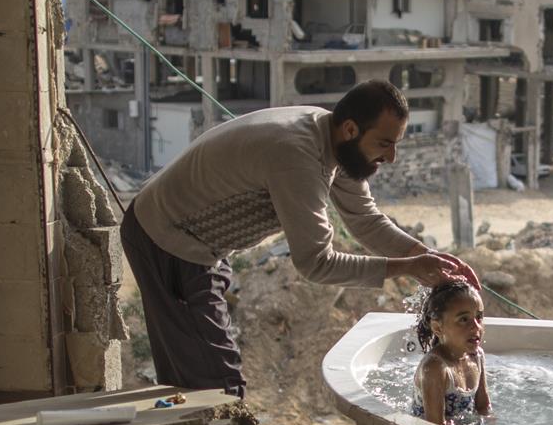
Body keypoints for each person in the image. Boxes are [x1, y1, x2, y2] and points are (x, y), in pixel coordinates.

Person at [122, 79, 477, 395]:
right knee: (214, 383)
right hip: (167, 239)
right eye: (385, 144)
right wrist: (403, 267)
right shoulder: (298, 157)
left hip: (203, 245)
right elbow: (315, 263)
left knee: (205, 376)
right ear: (351, 128)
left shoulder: (333, 136)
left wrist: (426, 258)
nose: (391, 157)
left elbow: (365, 219)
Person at [410, 280, 490, 425]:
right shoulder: (435, 368)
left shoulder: (477, 356)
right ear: (438, 328)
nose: (476, 326)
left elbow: (484, 408)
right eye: (464, 319)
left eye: (479, 317)